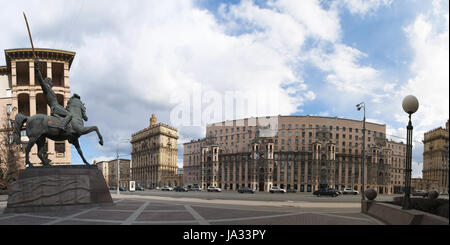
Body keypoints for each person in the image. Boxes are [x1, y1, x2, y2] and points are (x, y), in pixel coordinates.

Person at [34, 59, 72, 130]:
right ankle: (62, 126)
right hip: (55, 108)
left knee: (68, 115)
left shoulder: (50, 90)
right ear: (48, 82)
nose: (52, 83)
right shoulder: (46, 89)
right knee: (69, 115)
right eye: (51, 82)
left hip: (58, 107)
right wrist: (36, 67)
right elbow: (40, 80)